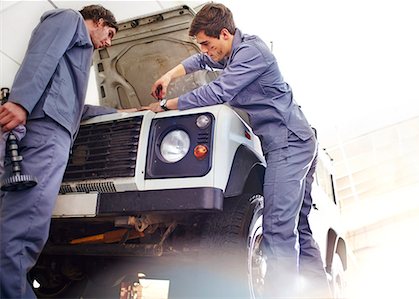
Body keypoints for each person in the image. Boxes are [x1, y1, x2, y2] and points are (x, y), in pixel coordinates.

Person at [143, 2, 331, 298]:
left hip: (289, 142)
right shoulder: (229, 53)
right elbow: (201, 63)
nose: (205, 50)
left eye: (207, 43)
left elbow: (218, 92)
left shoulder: (252, 52)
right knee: (299, 228)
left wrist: (166, 105)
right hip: (289, 142)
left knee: (277, 230)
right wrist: (169, 76)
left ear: (226, 34)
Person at [0, 5, 127, 298]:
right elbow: (40, 57)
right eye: (109, 33)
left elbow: (75, 108)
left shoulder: (76, 59)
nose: (108, 42)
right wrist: (20, 101)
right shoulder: (68, 19)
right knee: (20, 237)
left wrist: (120, 112)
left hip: (45, 133)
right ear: (97, 21)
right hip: (45, 135)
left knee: (16, 233)